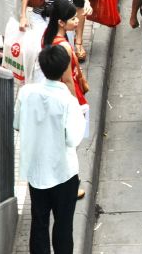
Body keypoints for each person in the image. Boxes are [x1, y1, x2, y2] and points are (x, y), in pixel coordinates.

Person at [13, 45, 86, 254]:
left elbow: (17, 124)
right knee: (63, 226)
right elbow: (73, 138)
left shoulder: (26, 93)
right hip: (64, 173)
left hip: (36, 172)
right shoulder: (68, 101)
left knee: (39, 223)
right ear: (64, 69)